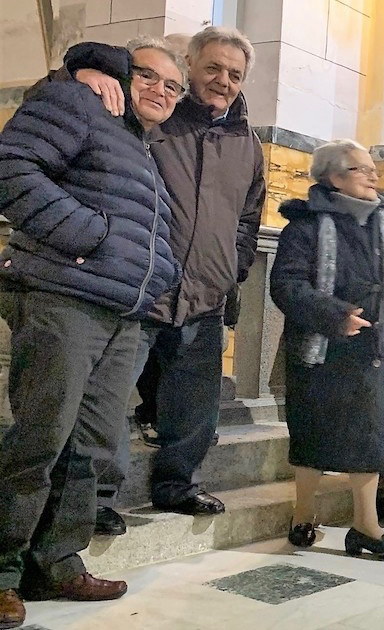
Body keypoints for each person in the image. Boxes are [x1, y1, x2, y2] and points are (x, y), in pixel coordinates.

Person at [0, 36, 185, 626]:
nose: (161, 91)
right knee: (40, 441)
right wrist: (88, 235)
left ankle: (58, 562)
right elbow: (11, 166)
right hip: (63, 300)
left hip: (121, 313)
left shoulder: (140, 144)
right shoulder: (79, 102)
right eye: (148, 77)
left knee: (94, 447)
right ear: (118, 75)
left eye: (173, 86)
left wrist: (161, 272)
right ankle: (3, 571)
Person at [72, 26, 266, 520]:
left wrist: (232, 270)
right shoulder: (153, 117)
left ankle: (179, 485)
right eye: (213, 68)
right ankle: (98, 499)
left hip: (206, 294)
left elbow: (248, 216)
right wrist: (87, 68)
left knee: (193, 408)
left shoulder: (247, 141)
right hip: (142, 288)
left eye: (234, 74)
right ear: (190, 65)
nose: (223, 80)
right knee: (109, 402)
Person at [270, 140, 384, 559]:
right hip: (323, 350)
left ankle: (366, 526)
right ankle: (303, 514)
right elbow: (287, 285)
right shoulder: (305, 226)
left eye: (372, 169)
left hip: (375, 349)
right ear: (333, 177)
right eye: (361, 170)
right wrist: (335, 315)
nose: (373, 176)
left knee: (370, 438)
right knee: (313, 436)